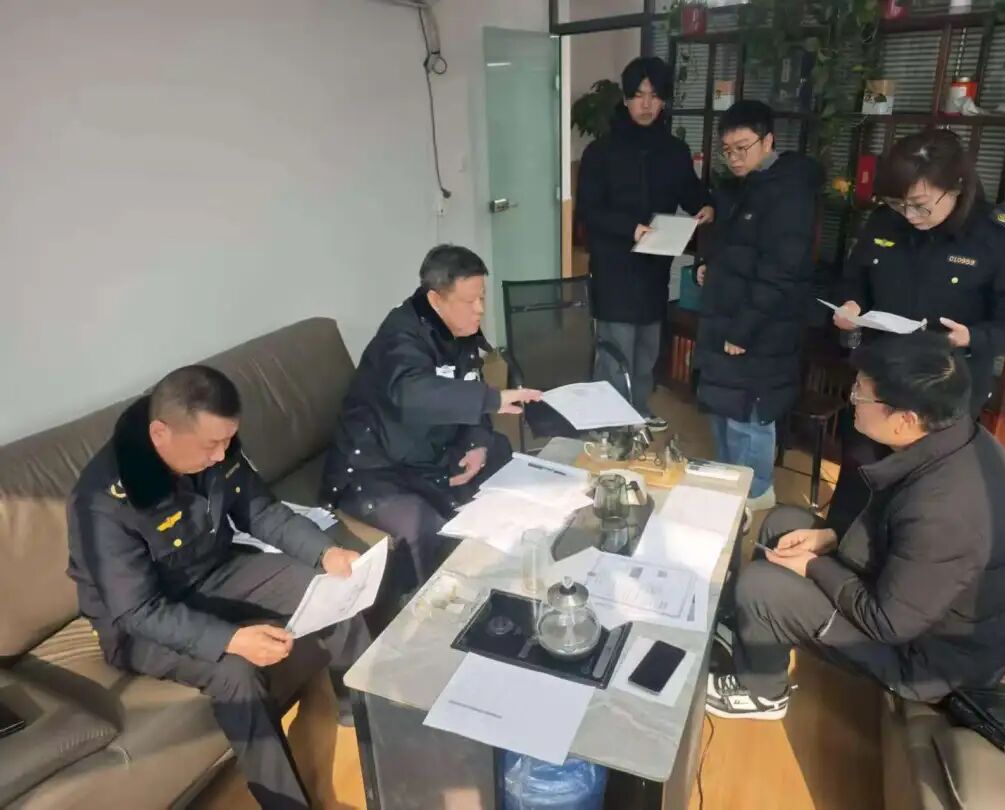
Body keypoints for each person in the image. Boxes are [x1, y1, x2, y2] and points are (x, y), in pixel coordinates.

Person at [68, 365, 369, 809]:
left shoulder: (218, 450)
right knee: (235, 674)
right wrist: (230, 639)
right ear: (160, 434)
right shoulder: (101, 502)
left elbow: (260, 511)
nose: (221, 454)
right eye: (211, 445)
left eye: (228, 440)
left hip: (214, 569)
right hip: (138, 624)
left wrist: (325, 553)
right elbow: (136, 611)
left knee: (333, 590)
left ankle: (365, 720)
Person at [706, 333, 1005, 720]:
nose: (852, 401)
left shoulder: (945, 510)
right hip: (916, 603)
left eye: (861, 395)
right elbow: (895, 529)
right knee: (784, 524)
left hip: (933, 663)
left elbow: (888, 622)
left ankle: (763, 693)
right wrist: (832, 538)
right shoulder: (950, 441)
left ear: (905, 419)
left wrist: (813, 565)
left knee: (761, 586)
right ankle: (754, 634)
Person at [828, 128, 1005, 530]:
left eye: (920, 205)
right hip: (880, 382)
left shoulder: (999, 237)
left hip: (944, 393)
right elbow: (854, 278)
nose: (910, 216)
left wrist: (973, 337)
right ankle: (835, 546)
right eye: (898, 204)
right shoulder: (885, 221)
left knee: (923, 498)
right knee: (858, 479)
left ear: (957, 187)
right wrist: (852, 305)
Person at [321, 245, 541, 585]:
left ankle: (505, 565)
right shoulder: (399, 337)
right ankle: (437, 601)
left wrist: (477, 443)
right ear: (436, 300)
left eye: (482, 297)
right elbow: (413, 393)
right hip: (375, 467)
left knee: (497, 449)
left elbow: (470, 384)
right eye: (470, 301)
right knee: (422, 524)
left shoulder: (460, 330)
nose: (480, 310)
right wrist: (492, 399)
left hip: (429, 449)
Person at [694, 100, 822, 510]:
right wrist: (706, 265)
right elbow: (730, 247)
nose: (734, 158)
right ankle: (730, 492)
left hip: (758, 330)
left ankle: (755, 497)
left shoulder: (789, 193)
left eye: (743, 148)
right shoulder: (741, 186)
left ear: (768, 141)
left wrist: (742, 331)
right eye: (727, 150)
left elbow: (781, 272)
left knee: (748, 418)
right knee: (722, 409)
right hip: (727, 318)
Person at [577, 56, 714, 431]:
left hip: (655, 265)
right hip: (614, 267)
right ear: (625, 99)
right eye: (638, 95)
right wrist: (630, 229)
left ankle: (636, 409)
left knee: (648, 346)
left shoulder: (674, 151)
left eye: (654, 96)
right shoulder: (600, 152)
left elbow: (690, 191)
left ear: (663, 100)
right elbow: (589, 210)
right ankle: (609, 421)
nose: (646, 104)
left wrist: (705, 205)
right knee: (616, 347)